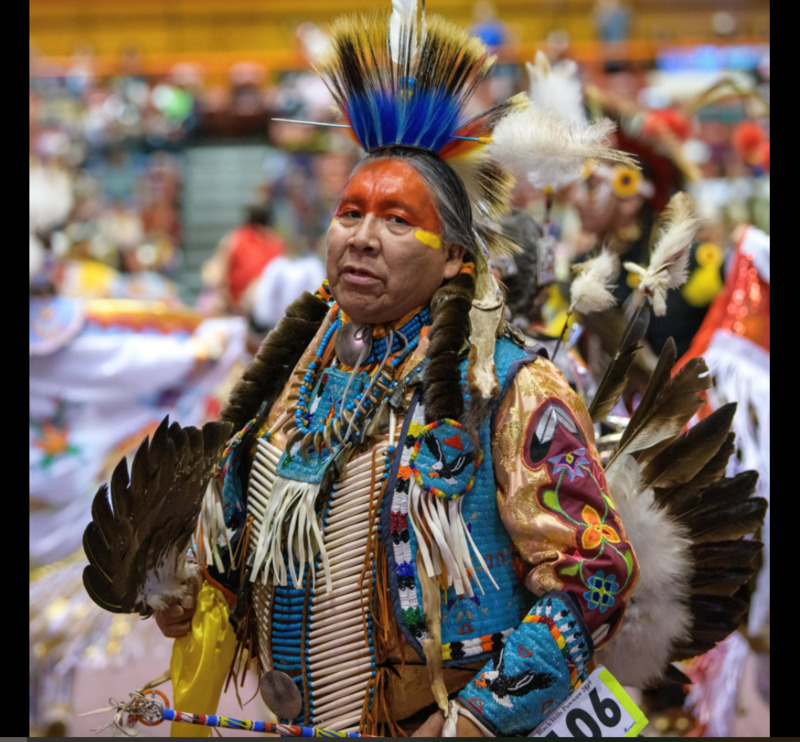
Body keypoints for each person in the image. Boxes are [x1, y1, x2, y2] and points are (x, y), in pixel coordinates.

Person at [84, 7, 762, 739]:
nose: (363, 238)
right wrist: (202, 587)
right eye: (350, 212)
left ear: (452, 259)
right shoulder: (287, 388)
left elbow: (590, 578)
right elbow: (272, 545)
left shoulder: (509, 389)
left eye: (398, 220)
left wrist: (479, 716)